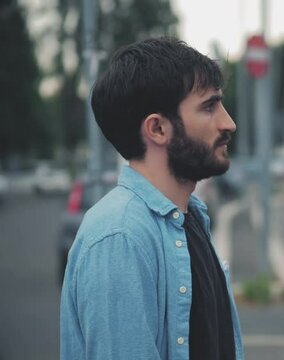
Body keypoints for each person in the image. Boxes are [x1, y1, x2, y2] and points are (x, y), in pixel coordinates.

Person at [60, 37, 244, 360]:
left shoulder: (192, 219)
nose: (228, 123)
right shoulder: (120, 236)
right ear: (158, 128)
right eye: (209, 106)